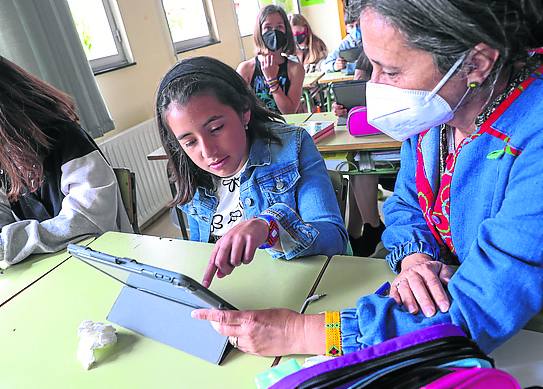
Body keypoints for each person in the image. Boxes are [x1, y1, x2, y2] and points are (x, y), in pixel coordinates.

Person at [192, 0, 543, 357]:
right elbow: (407, 204)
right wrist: (416, 261)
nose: (374, 85)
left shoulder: (534, 137)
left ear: (476, 63)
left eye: (390, 71)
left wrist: (302, 331)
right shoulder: (439, 114)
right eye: (372, 65)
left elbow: (483, 304)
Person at [155, 56, 347, 288]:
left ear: (244, 111)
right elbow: (200, 252)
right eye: (189, 142)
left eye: (216, 129)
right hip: (235, 295)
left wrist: (270, 227)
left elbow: (334, 238)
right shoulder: (191, 172)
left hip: (300, 290)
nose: (208, 152)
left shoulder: (291, 147)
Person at [0, 56, 131, 269]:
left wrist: (9, 243)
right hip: (51, 266)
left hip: (105, 260)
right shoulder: (5, 155)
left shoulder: (66, 138)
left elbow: (88, 221)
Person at [237, 5, 304, 114]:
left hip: (284, 126)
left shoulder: (295, 69)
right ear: (259, 32)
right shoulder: (246, 69)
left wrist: (271, 79)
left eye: (279, 27)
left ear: (286, 31)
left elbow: (288, 112)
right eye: (267, 27)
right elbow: (238, 107)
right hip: (257, 128)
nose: (274, 32)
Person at [322, 8, 362, 73]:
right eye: (351, 26)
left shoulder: (371, 41)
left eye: (358, 25)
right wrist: (335, 66)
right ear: (347, 29)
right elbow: (324, 66)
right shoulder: (343, 45)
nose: (355, 30)